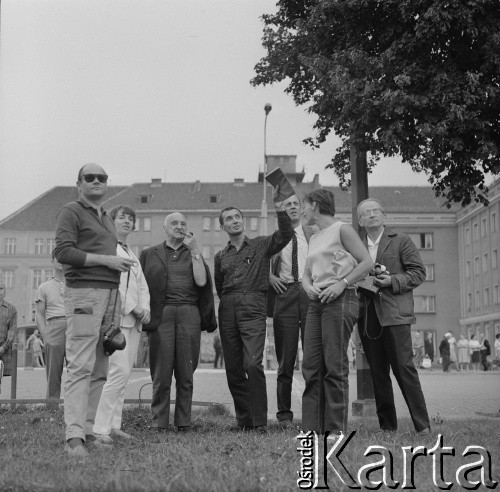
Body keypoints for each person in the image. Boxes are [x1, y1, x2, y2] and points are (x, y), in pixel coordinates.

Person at [54, 163, 135, 457]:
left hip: (111, 296)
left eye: (102, 178)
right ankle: (73, 438)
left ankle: (87, 429)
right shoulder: (71, 211)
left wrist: (117, 266)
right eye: (90, 177)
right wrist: (108, 261)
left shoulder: (105, 217)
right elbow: (62, 252)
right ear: (79, 183)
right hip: (85, 294)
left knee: (101, 367)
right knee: (79, 365)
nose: (97, 181)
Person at [214, 193, 294, 432]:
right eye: (229, 219)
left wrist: (280, 210)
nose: (235, 221)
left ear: (243, 221)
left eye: (238, 217)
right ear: (223, 226)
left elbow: (285, 235)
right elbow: (219, 285)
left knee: (253, 364)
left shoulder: (261, 245)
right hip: (227, 307)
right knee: (234, 368)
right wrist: (228, 302)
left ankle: (259, 422)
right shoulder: (220, 256)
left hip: (253, 305)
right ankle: (244, 420)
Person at [300, 189, 373, 435]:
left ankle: (335, 430)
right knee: (310, 365)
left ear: (316, 206)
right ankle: (311, 428)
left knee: (334, 366)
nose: (303, 211)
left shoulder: (342, 229)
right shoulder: (314, 237)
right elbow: (307, 274)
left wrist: (342, 283)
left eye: (305, 206)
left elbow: (366, 262)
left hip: (341, 298)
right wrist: (308, 287)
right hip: (317, 302)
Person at [357, 198, 431, 434]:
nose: (371, 215)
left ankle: (423, 426)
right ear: (360, 221)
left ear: (384, 216)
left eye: (375, 211)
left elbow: (419, 273)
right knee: (378, 374)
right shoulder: (356, 245)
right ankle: (387, 427)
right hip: (368, 316)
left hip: (395, 315)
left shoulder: (401, 241)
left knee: (405, 370)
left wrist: (392, 281)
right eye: (365, 213)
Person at [140, 212, 216, 432]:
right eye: (174, 223)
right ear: (164, 228)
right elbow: (142, 286)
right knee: (161, 372)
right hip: (161, 314)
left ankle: (183, 422)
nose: (179, 226)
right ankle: (159, 422)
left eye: (183, 223)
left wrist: (194, 251)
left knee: (185, 371)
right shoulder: (149, 254)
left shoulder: (193, 253)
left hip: (188, 313)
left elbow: (201, 281)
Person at [93, 205, 150, 441]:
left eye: (131, 218)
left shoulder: (131, 252)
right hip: (119, 319)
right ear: (110, 221)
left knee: (124, 375)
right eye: (122, 217)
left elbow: (142, 285)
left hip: (134, 321)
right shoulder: (109, 249)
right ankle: (99, 427)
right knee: (116, 373)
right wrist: (133, 308)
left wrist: (145, 309)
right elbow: (113, 284)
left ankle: (115, 425)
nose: (127, 221)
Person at [267, 194, 314, 426]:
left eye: (296, 203)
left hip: (309, 294)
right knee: (285, 361)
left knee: (313, 358)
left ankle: (314, 413)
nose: (293, 207)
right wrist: (269, 277)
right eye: (288, 205)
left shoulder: (313, 234)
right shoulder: (275, 238)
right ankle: (284, 415)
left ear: (302, 209)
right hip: (284, 295)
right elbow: (256, 262)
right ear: (281, 211)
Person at [35, 255, 67, 402]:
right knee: (53, 373)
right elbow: (40, 314)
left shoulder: (76, 285)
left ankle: (76, 412)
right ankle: (52, 408)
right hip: (54, 326)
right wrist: (45, 333)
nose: (61, 261)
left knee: (78, 372)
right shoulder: (44, 287)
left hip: (74, 327)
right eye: (58, 258)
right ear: (52, 261)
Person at [0, 283, 18, 391]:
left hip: (2, 349)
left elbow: (12, 330)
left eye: (1, 288)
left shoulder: (11, 309)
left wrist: (4, 347)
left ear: (5, 291)